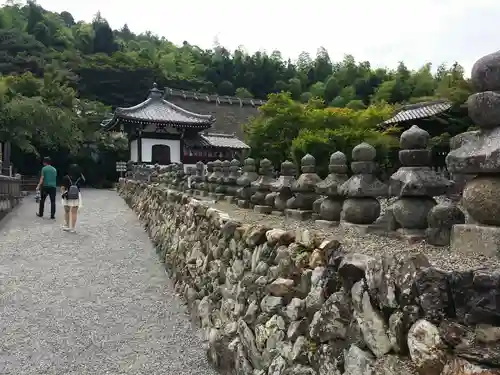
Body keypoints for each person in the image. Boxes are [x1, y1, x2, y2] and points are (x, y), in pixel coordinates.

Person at [61, 164, 85, 232]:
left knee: (67, 211)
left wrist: (63, 194)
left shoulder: (66, 177)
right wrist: (80, 174)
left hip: (67, 195)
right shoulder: (80, 178)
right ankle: (73, 228)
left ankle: (67, 226)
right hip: (76, 195)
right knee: (74, 212)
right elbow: (84, 181)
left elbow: (62, 187)